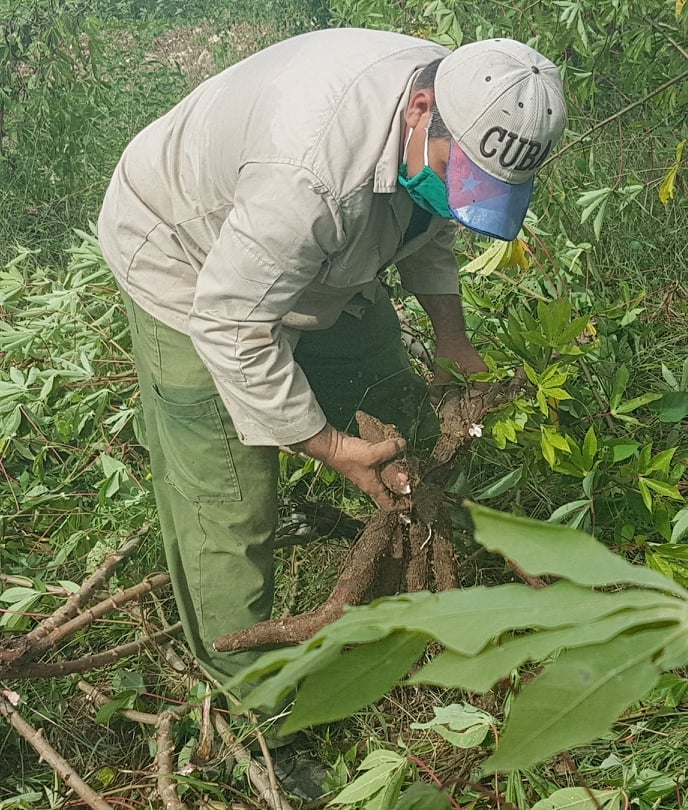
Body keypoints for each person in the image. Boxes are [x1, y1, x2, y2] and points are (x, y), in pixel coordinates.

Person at [98, 27, 566, 686]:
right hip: (185, 259)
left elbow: (432, 221)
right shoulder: (310, 170)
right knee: (230, 501)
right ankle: (256, 700)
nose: (462, 194)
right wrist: (327, 445)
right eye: (458, 175)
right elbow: (231, 320)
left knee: (392, 401)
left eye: (482, 188)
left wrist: (454, 339)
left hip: (315, 249)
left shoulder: (459, 104)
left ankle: (408, 565)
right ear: (419, 110)